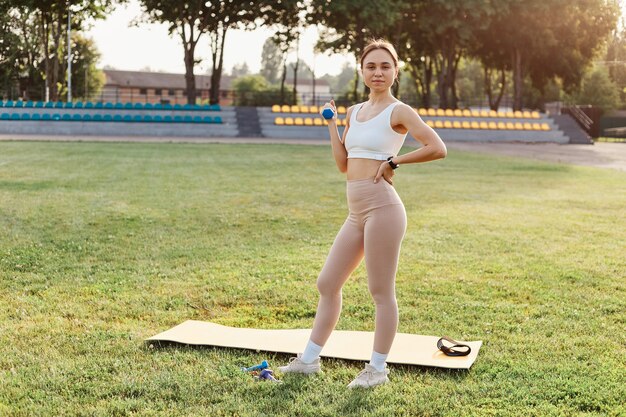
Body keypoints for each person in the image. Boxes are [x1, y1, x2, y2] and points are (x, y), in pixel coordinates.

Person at [278, 39, 447, 388]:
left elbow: (437, 147)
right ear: (362, 71)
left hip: (384, 208)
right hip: (356, 212)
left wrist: (394, 161)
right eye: (371, 66)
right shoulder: (354, 112)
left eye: (385, 66)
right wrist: (332, 125)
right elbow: (343, 165)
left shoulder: (399, 111)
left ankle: (377, 370)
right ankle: (308, 361)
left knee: (381, 291)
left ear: (395, 71)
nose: (378, 72)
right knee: (327, 283)